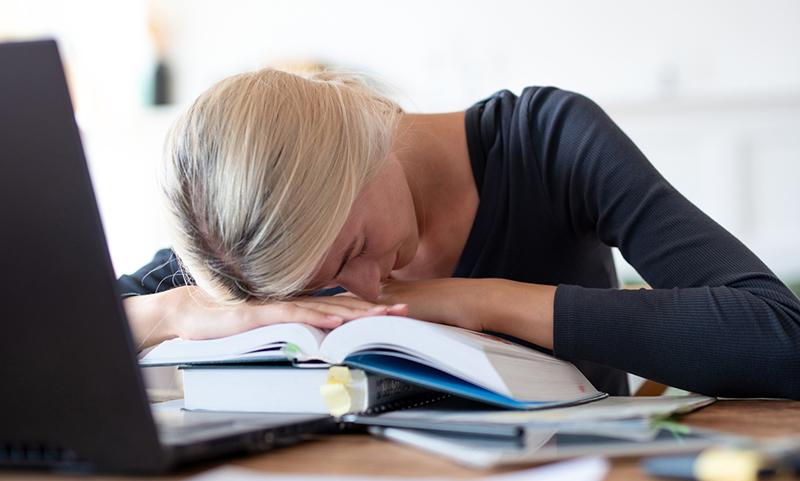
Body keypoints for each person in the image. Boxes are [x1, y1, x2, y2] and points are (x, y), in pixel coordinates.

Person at [119, 68, 800, 398]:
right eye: (322, 285)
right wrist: (173, 309)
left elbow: (779, 335)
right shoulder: (244, 236)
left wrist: (474, 300)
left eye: (354, 247)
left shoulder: (545, 142)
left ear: (365, 128)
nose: (362, 287)